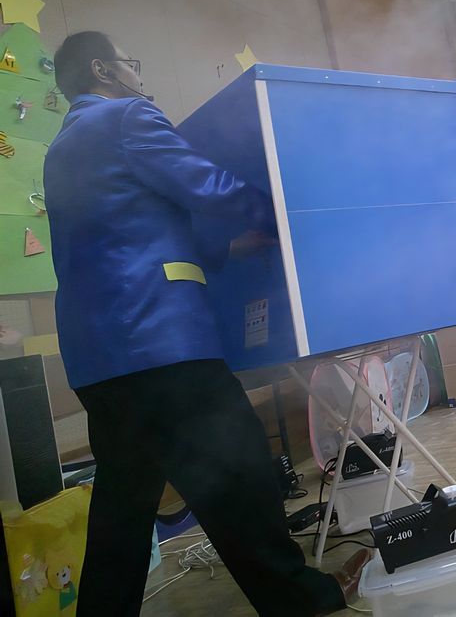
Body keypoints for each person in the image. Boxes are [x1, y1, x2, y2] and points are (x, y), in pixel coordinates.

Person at [45, 32, 357, 616]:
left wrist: (227, 249)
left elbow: (125, 234)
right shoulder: (126, 117)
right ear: (102, 70)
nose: (139, 76)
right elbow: (207, 185)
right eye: (130, 62)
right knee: (238, 472)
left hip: (98, 362)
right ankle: (301, 600)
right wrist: (288, 214)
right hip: (161, 346)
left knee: (122, 511)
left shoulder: (62, 146)